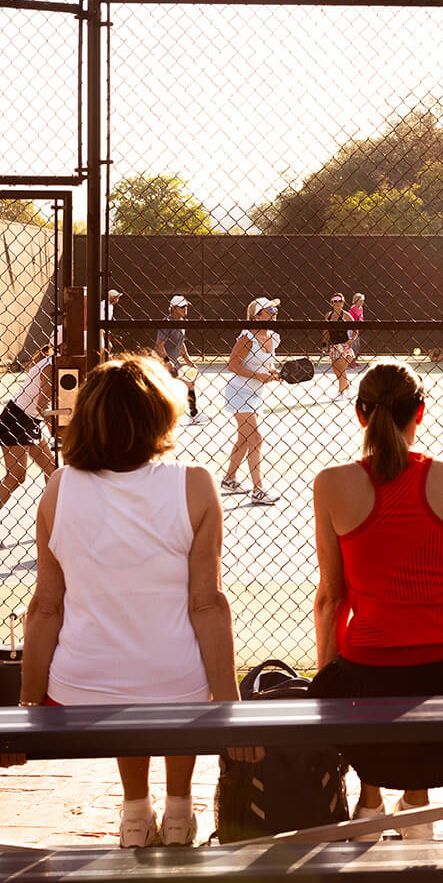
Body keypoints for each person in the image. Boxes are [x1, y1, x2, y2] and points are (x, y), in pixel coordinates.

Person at [16, 356, 259, 842]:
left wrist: (28, 702)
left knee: (126, 672)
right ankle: (176, 810)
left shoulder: (59, 487)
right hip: (176, 683)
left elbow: (46, 606)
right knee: (171, 672)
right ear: (160, 414)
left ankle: (133, 812)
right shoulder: (194, 483)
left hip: (81, 687)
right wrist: (231, 708)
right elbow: (207, 604)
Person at [308, 359, 443, 839]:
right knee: (403, 679)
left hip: (367, 677)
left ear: (360, 414)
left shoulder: (331, 483)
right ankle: (415, 803)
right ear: (420, 413)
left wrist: (330, 681)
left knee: (365, 680)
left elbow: (332, 599)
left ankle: (371, 802)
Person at [222, 297, 281, 506]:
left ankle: (229, 479)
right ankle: (258, 490)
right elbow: (232, 365)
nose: (274, 312)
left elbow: (267, 365)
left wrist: (273, 374)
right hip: (239, 391)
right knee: (255, 438)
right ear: (257, 315)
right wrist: (258, 376)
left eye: (275, 309)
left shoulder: (273, 336)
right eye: (269, 309)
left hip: (257, 394)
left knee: (244, 439)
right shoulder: (247, 337)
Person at [0, 345, 56, 513]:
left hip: (31, 421)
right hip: (16, 420)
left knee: (53, 471)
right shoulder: (51, 366)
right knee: (16, 477)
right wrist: (57, 428)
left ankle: (53, 520)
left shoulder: (59, 364)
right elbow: (41, 406)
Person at [156, 294, 207, 425]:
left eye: (186, 306)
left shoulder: (182, 322)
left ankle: (193, 414)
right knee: (161, 390)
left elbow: (181, 343)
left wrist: (189, 361)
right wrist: (167, 363)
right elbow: (159, 344)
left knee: (189, 383)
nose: (185, 309)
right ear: (173, 308)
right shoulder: (167, 323)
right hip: (159, 362)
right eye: (182, 307)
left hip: (173, 362)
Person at [322, 293, 356, 401]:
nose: (337, 303)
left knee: (341, 369)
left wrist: (352, 339)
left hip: (344, 346)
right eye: (335, 301)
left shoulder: (346, 315)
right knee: (337, 371)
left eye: (340, 301)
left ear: (343, 303)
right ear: (331, 303)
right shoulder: (328, 315)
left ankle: (340, 393)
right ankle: (347, 389)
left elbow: (356, 328)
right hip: (333, 346)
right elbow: (325, 332)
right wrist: (324, 345)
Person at [349, 292, 366, 362]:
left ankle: (354, 360)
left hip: (357, 329)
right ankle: (351, 361)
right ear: (356, 301)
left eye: (362, 300)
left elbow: (361, 318)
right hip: (351, 329)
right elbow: (351, 320)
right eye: (360, 300)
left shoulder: (361, 308)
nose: (362, 302)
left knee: (357, 345)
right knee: (352, 345)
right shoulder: (352, 309)